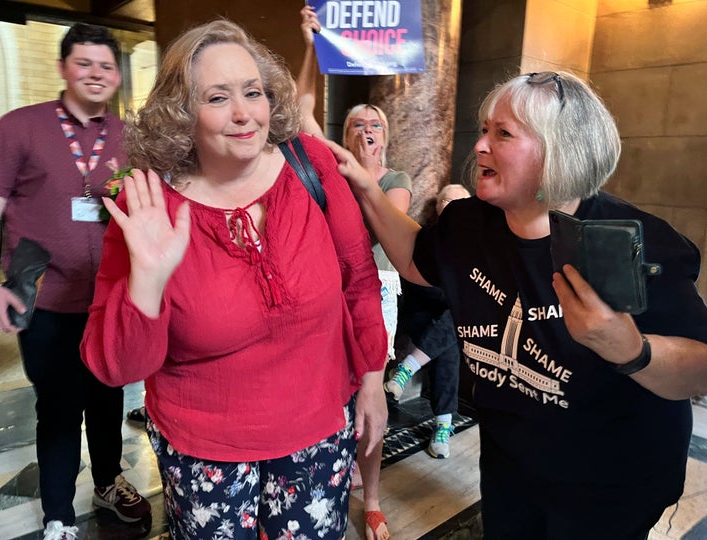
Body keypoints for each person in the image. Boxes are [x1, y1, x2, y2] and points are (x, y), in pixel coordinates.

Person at [327, 70, 707, 539]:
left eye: (503, 134)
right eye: (485, 129)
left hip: (611, 487)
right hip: (511, 473)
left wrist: (631, 349)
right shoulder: (470, 223)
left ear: (559, 151)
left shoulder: (634, 241)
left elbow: (705, 368)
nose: (479, 146)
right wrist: (366, 187)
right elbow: (415, 257)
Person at [80, 18, 388, 540]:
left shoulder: (309, 164)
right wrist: (148, 282)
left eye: (253, 92)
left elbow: (358, 277)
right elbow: (115, 367)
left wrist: (374, 378)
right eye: (218, 97)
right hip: (205, 456)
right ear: (182, 114)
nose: (244, 113)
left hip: (317, 436)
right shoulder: (150, 203)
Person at [0, 23, 151, 540]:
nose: (96, 74)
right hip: (44, 300)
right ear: (64, 67)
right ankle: (58, 517)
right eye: (84, 63)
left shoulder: (129, 137)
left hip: (108, 298)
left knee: (109, 395)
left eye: (106, 66)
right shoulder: (19, 127)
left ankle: (108, 481)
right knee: (59, 407)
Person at [296, 6, 411, 540]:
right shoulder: (335, 164)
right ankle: (326, 481)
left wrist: (361, 172)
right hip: (327, 292)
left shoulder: (394, 177)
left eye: (376, 124)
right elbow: (301, 113)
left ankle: (371, 498)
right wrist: (308, 48)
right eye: (358, 124)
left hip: (374, 292)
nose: (367, 130)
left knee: (369, 395)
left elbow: (378, 234)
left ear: (385, 137)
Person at [386, 183, 471, 459]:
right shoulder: (426, 237)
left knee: (451, 332)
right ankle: (443, 426)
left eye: (458, 203)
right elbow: (417, 283)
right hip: (421, 312)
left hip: (447, 320)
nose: (451, 207)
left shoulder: (475, 245)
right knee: (453, 325)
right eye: (446, 201)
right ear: (438, 207)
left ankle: (406, 369)